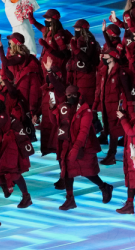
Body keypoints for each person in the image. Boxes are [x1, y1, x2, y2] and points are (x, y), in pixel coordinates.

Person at [45, 61, 115, 211]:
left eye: (72, 95)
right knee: (68, 172)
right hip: (67, 144)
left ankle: (104, 186)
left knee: (88, 172)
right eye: (68, 95)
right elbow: (55, 122)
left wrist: (76, 148)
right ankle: (70, 198)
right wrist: (52, 109)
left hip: (84, 146)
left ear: (78, 95)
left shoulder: (86, 111)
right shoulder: (63, 107)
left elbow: (83, 132)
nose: (70, 97)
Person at [94, 46, 132, 165]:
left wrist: (122, 107)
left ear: (112, 58)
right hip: (105, 107)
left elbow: (126, 91)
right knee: (110, 130)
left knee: (116, 131)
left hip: (116, 107)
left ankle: (112, 155)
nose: (102, 57)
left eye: (105, 55)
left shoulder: (121, 72)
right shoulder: (103, 71)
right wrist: (96, 104)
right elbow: (99, 89)